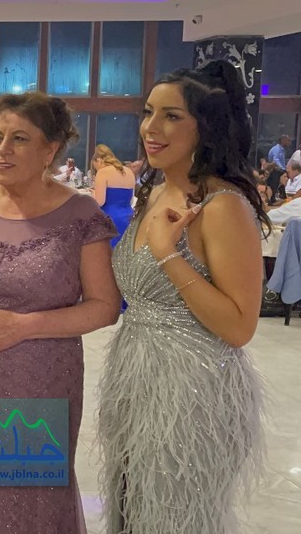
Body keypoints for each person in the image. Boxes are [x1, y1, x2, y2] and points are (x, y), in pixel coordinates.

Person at [0, 92, 121, 533]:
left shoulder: (79, 214)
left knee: (26, 500)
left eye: (19, 138)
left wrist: (25, 326)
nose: (2, 149)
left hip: (38, 384)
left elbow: (105, 307)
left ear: (50, 150)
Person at [98, 60, 266, 534]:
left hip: (193, 395)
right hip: (134, 382)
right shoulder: (154, 192)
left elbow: (239, 326)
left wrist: (169, 255)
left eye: (172, 116)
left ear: (205, 128)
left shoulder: (222, 205)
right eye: (148, 112)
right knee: (132, 513)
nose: (151, 128)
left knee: (175, 519)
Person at [91, 144, 137, 248]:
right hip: (129, 218)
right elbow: (131, 201)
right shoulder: (129, 172)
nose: (97, 169)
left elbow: (99, 202)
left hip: (110, 220)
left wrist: (93, 193)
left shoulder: (102, 173)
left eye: (95, 166)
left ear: (99, 160)